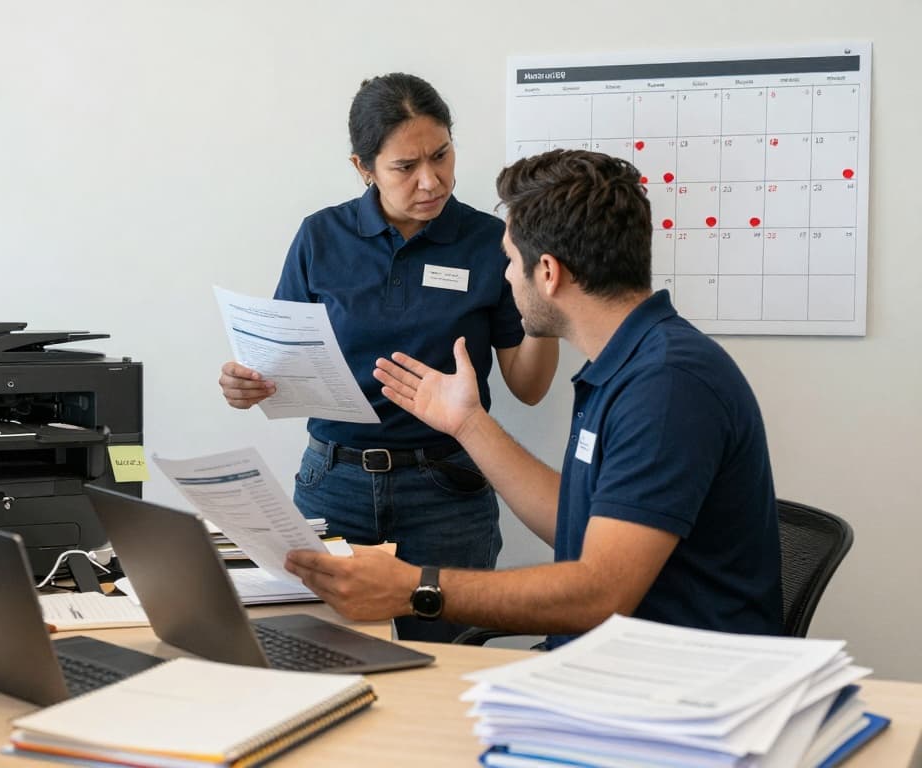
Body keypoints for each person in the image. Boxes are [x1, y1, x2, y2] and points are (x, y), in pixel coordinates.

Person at [284, 149, 782, 647]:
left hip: (678, 683)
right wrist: (467, 424)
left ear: (548, 272)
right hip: (618, 664)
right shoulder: (631, 364)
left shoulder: (669, 385)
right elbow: (578, 523)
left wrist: (416, 587)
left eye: (510, 261)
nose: (503, 276)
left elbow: (600, 593)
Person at [218, 73, 559, 641]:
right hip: (335, 482)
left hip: (447, 488)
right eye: (406, 167)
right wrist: (244, 385)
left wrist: (544, 304)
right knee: (322, 655)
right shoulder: (320, 237)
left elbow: (529, 386)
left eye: (442, 155)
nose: (432, 180)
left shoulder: (488, 239)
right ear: (363, 168)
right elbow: (275, 364)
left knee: (450, 667)